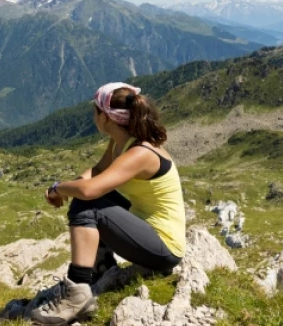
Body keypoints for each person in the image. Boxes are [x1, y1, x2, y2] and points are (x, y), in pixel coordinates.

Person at [28, 82, 186, 326]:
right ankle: (102, 268)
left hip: (164, 248)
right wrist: (74, 185)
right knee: (90, 199)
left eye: (95, 111)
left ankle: (77, 293)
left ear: (107, 118)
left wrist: (59, 188)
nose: (93, 116)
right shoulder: (121, 142)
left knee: (87, 204)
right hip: (147, 230)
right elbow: (97, 171)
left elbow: (90, 190)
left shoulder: (140, 153)